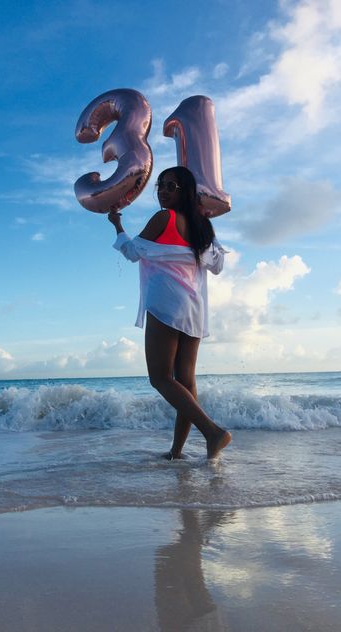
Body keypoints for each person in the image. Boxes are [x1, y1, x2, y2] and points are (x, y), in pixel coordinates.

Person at [108, 166, 231, 460]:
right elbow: (217, 266)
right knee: (185, 382)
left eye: (171, 186)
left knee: (160, 378)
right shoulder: (202, 226)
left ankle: (213, 432)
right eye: (160, 186)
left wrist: (117, 224)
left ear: (184, 191)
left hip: (166, 302)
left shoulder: (165, 218)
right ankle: (177, 452)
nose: (163, 191)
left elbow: (133, 252)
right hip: (194, 308)